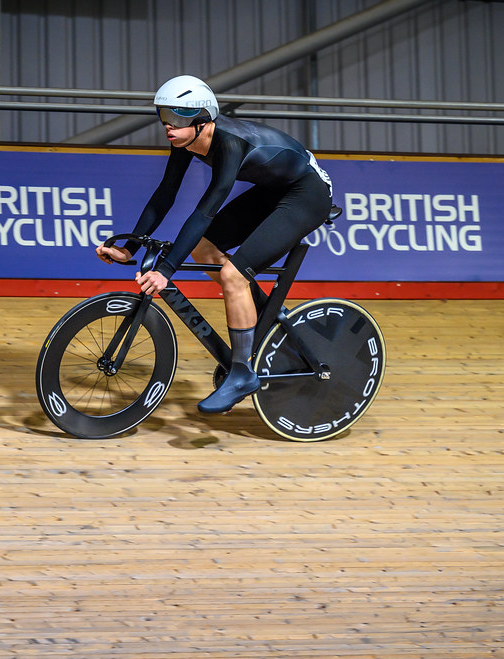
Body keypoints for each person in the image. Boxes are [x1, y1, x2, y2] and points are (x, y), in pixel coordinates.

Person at [95, 75, 333, 414]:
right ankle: (262, 313)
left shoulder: (229, 144)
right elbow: (165, 195)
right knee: (204, 251)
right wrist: (128, 248)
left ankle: (241, 374)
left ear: (203, 120)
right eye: (164, 117)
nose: (168, 126)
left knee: (235, 276)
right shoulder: (185, 141)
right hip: (272, 191)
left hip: (305, 195)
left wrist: (165, 270)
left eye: (176, 118)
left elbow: (206, 210)